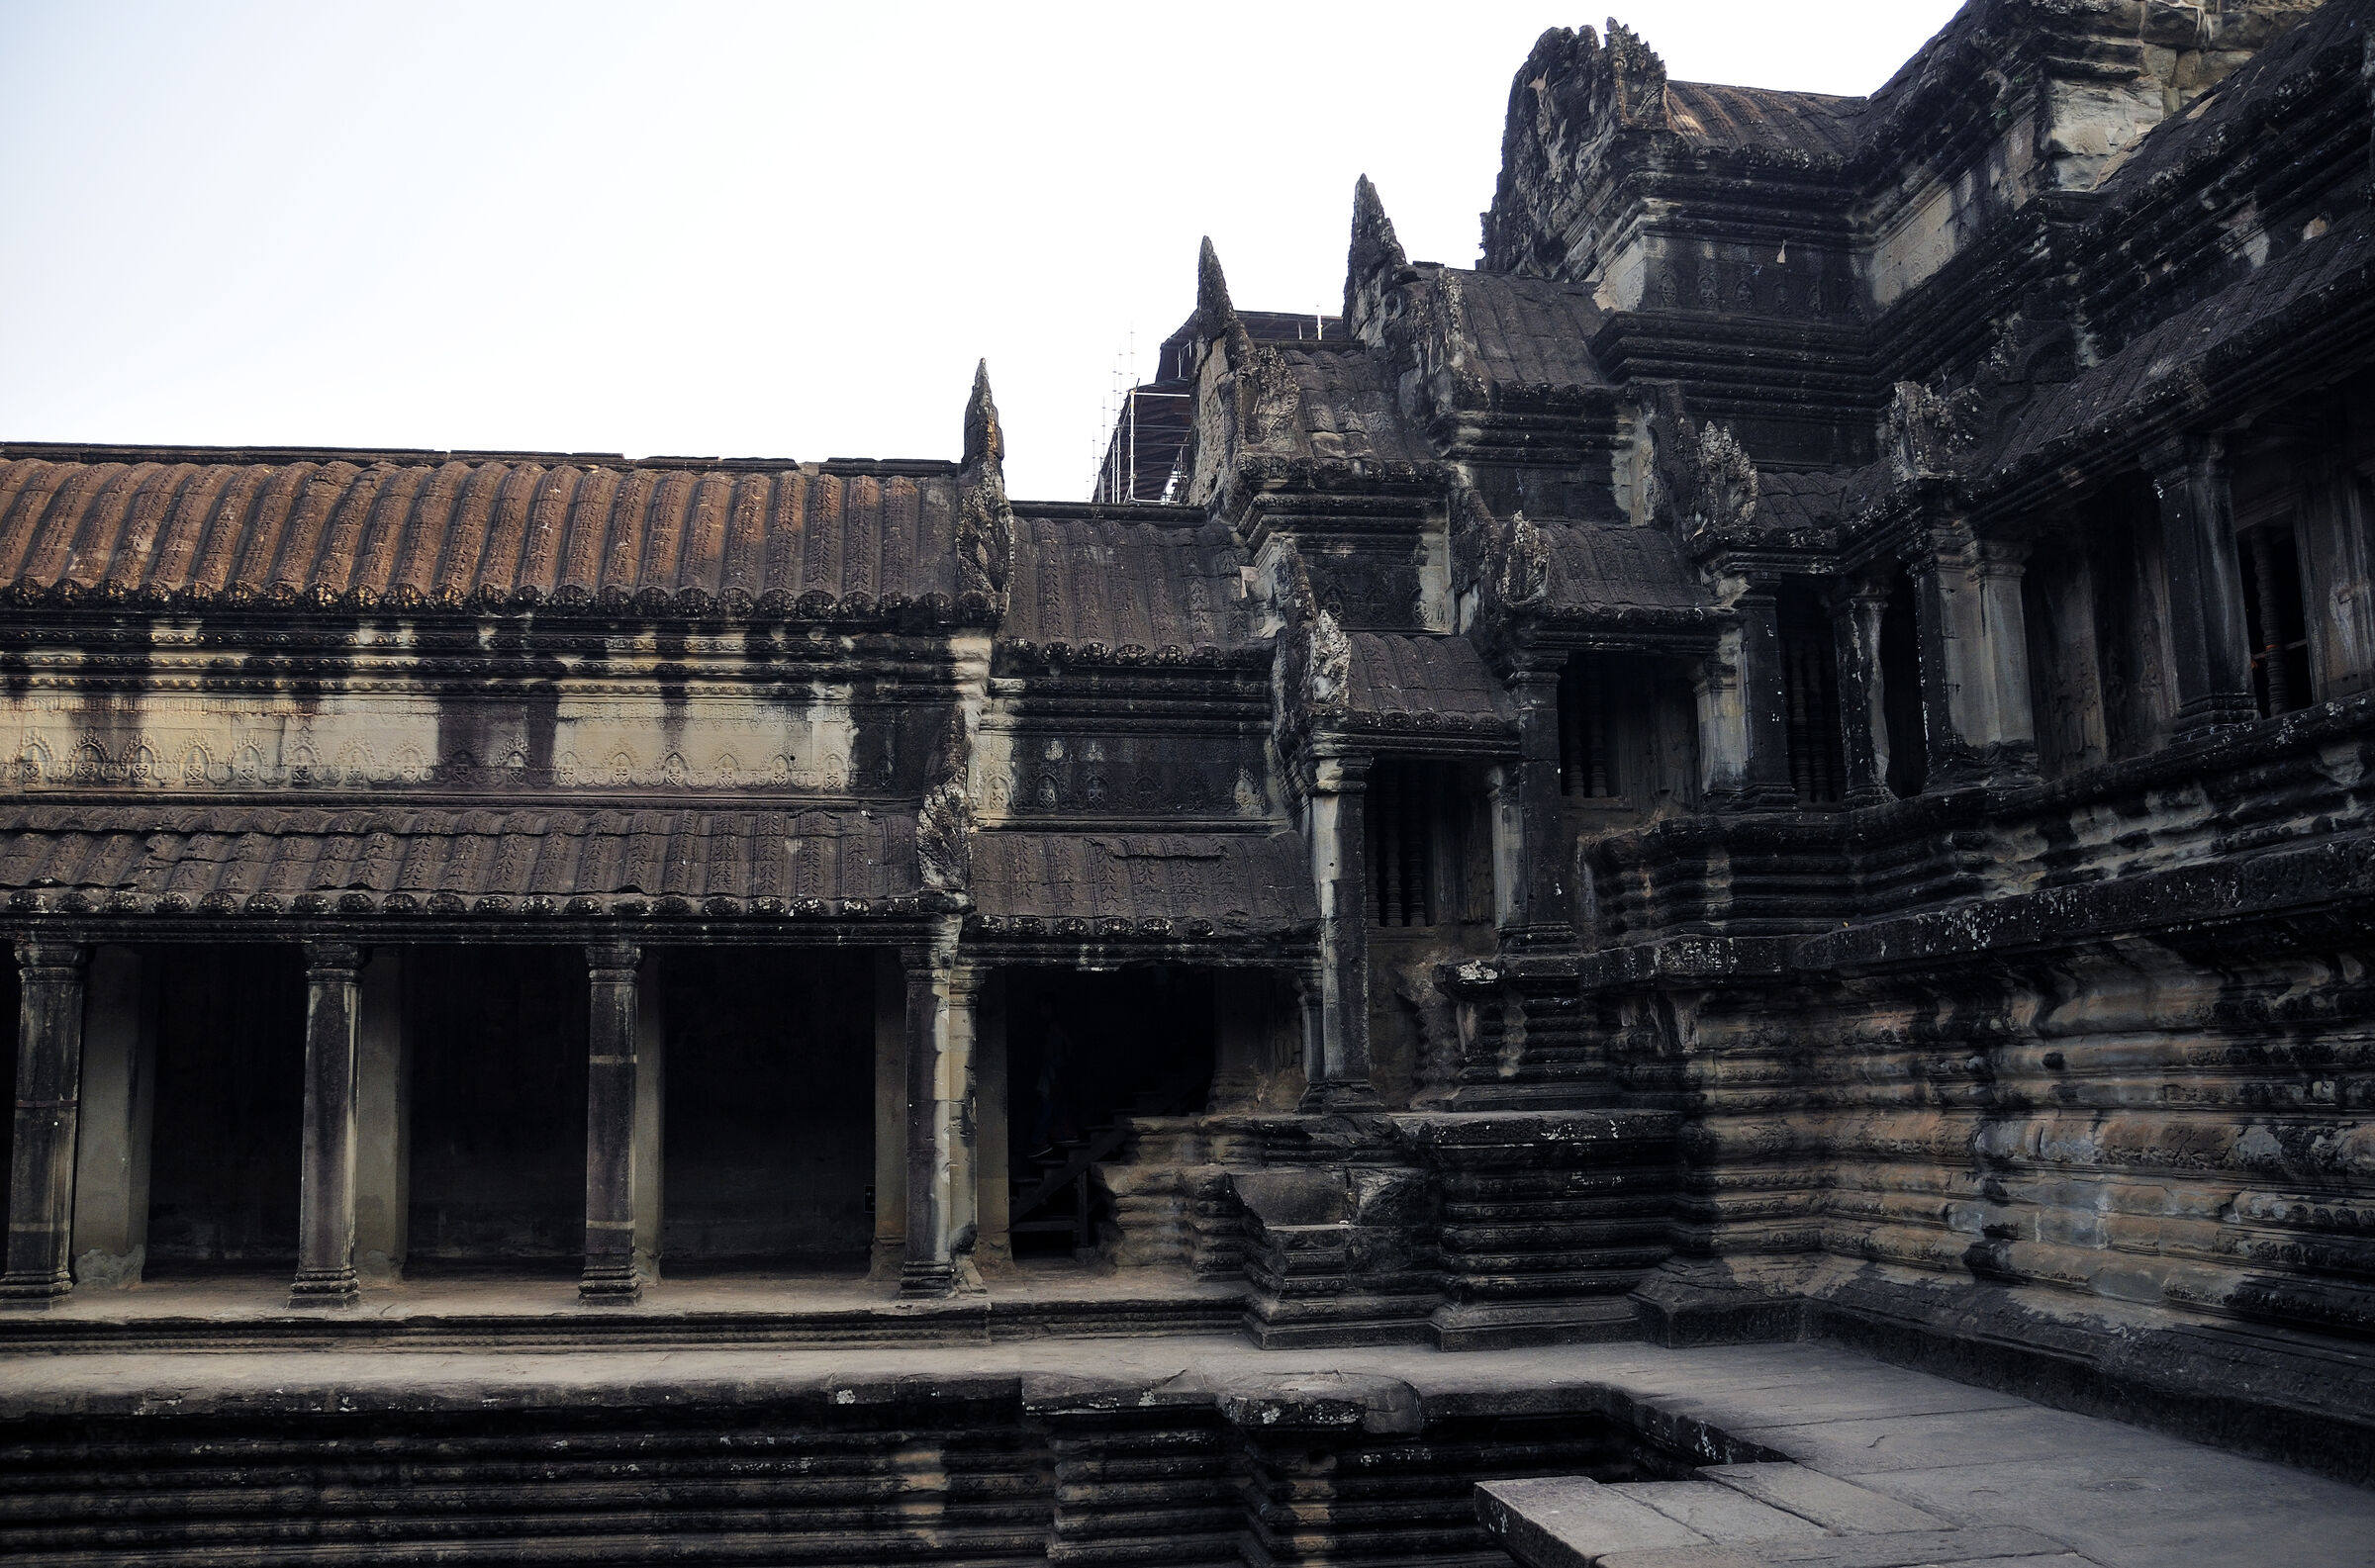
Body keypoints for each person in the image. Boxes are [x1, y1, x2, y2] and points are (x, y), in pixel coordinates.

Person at [1027, 996, 1077, 1156]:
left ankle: (1043, 1138)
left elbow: (1064, 1049)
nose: (1042, 1011)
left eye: (1044, 1007)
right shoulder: (1049, 1029)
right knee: (1050, 1106)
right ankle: (1046, 1138)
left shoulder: (1055, 1029)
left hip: (1054, 1072)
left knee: (1050, 1106)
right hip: (1051, 1072)